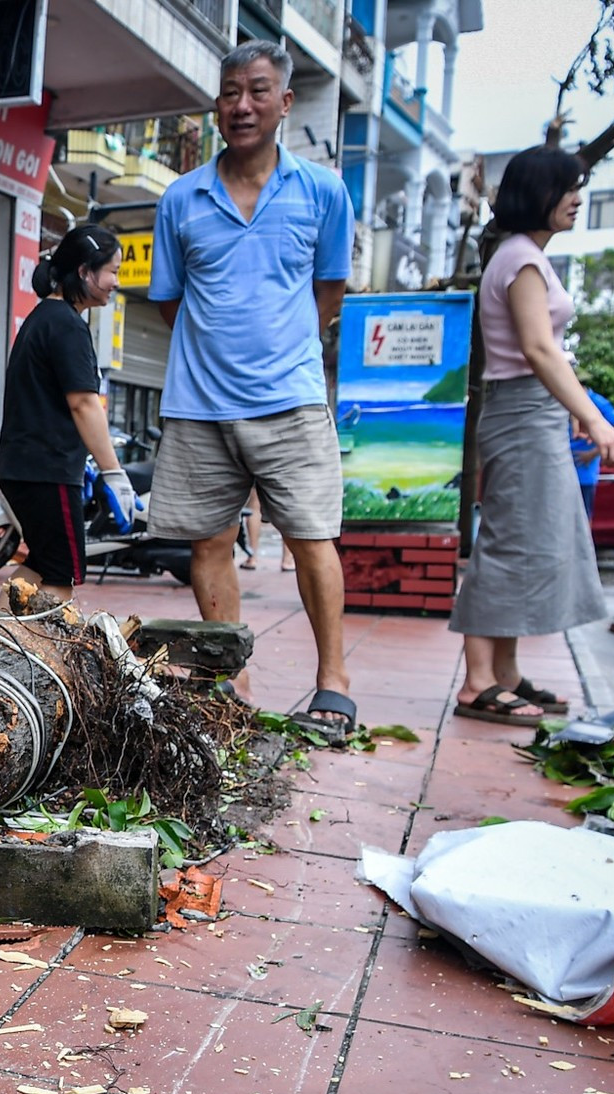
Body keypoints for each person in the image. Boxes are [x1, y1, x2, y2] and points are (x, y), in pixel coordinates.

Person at [145, 39, 355, 738]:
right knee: (207, 544)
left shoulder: (323, 191)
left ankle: (334, 684)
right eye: (231, 92)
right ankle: (229, 686)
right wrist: (220, 350)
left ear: (285, 102)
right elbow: (173, 301)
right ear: (216, 105)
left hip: (291, 400)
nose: (242, 105)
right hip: (199, 406)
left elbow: (329, 291)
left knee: (311, 538)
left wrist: (276, 347)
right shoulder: (181, 198)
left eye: (258, 91)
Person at [450, 148, 614, 724]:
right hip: (521, 416)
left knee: (524, 545)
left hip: (529, 413)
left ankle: (505, 673)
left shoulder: (521, 255)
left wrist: (572, 408)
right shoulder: (521, 258)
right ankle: (478, 682)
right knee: (508, 545)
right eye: (569, 189)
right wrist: (595, 418)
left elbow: (541, 355)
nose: (578, 199)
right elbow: (537, 349)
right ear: (538, 194)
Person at [0, 224, 131, 592]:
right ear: (85, 272)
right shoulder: (65, 324)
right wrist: (113, 473)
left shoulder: (45, 318)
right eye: (112, 271)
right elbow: (84, 403)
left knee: (42, 566)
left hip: (28, 468)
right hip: (46, 471)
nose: (116, 282)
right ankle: (29, 648)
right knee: (61, 577)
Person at [571, 387, 614, 524]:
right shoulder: (565, 400)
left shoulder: (595, 401)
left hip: (582, 474)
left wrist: (594, 452)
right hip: (562, 471)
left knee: (582, 521)